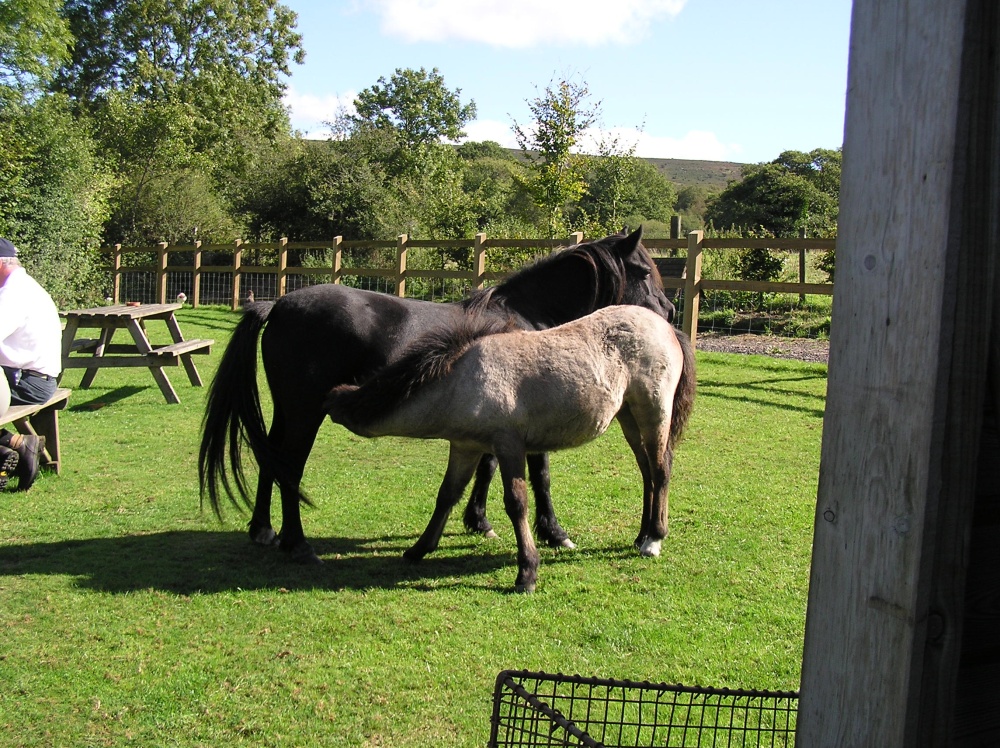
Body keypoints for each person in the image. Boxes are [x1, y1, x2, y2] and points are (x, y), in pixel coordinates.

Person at [0, 238, 62, 490]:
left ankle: (10, 449)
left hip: (27, 381)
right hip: (34, 378)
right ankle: (13, 446)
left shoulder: (12, 294)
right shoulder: (24, 286)